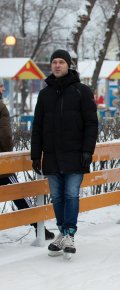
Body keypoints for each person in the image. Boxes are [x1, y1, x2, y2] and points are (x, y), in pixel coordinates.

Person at [31, 49, 98, 257]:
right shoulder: (44, 94)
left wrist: (88, 150)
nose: (57, 65)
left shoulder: (82, 91)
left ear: (69, 65)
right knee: (57, 197)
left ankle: (69, 233)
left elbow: (91, 123)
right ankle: (62, 232)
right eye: (54, 62)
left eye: (61, 62)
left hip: (76, 154)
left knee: (70, 194)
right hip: (51, 156)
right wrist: (36, 155)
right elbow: (38, 126)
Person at [0, 78, 55, 240]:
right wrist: (7, 155)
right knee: (20, 194)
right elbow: (5, 136)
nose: (3, 89)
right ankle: (39, 228)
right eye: (1, 86)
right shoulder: (1, 107)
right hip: (2, 162)